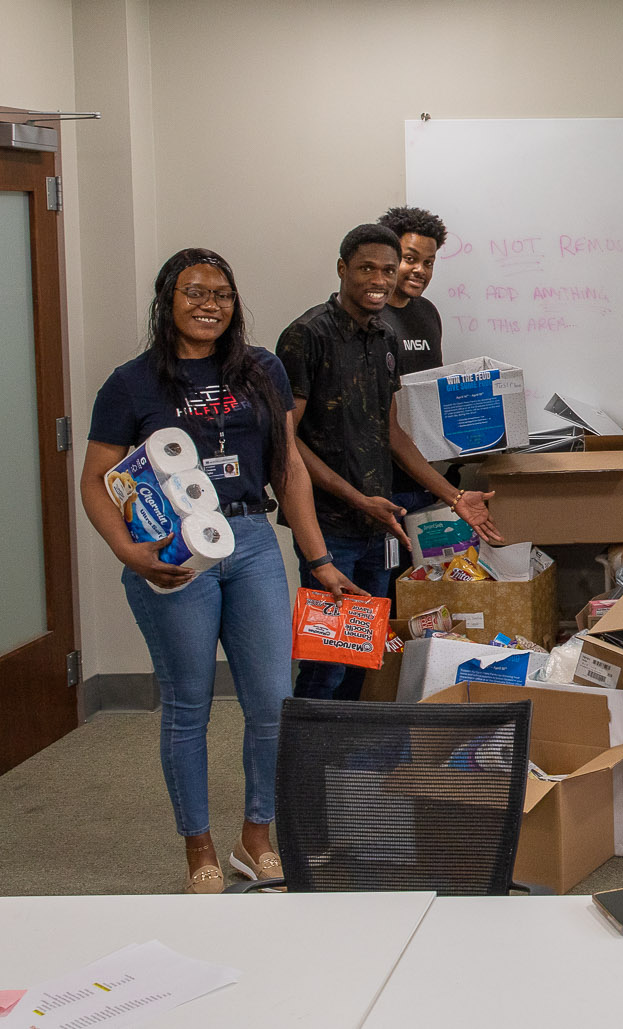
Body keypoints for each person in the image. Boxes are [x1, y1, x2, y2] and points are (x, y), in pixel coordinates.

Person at [80, 249, 363, 893]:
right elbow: (95, 480)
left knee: (271, 700)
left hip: (252, 538)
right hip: (176, 553)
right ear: (167, 301)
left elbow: (287, 467)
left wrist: (317, 559)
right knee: (189, 706)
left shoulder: (261, 369)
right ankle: (198, 848)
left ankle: (255, 837)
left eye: (222, 293)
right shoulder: (132, 383)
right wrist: (129, 551)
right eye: (193, 291)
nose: (209, 304)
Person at [278, 222, 503, 702]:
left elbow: (392, 433)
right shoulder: (306, 336)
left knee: (363, 653)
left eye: (386, 269)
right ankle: (306, 772)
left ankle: (347, 765)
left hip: (381, 524)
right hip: (329, 524)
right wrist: (356, 497)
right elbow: (286, 442)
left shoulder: (383, 339)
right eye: (366, 268)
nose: (378, 279)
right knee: (327, 663)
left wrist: (455, 496)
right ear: (342, 269)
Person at [376, 205, 449, 518]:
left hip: (423, 475)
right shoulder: (369, 316)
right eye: (410, 259)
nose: (420, 270)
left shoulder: (428, 313)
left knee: (420, 569)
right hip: (378, 481)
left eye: (428, 262)